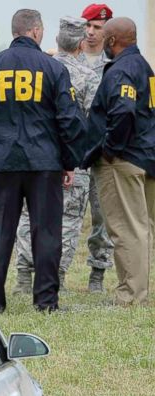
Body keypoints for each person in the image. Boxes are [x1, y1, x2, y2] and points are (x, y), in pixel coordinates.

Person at [0, 9, 88, 313]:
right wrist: (69, 161)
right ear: (37, 32)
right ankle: (46, 301)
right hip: (44, 163)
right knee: (47, 232)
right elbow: (69, 120)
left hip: (0, 162)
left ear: (15, 31)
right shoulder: (53, 69)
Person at [14, 17, 100, 293]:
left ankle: (23, 277)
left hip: (35, 155)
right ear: (81, 43)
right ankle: (57, 278)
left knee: (28, 215)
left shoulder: (39, 69)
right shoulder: (88, 76)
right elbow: (92, 120)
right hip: (74, 159)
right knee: (69, 220)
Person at [83, 17, 155, 306]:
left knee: (127, 228)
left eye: (105, 38)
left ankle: (131, 296)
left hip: (123, 159)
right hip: (147, 154)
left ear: (112, 41)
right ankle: (138, 292)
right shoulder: (145, 67)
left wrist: (110, 149)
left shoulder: (121, 70)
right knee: (143, 227)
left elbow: (123, 112)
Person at [81, 3, 117, 292]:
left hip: (103, 151)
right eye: (88, 26)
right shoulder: (68, 60)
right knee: (65, 217)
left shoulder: (114, 65)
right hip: (74, 151)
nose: (91, 33)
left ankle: (98, 274)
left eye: (98, 28)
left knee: (102, 217)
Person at [81, 4, 114, 71]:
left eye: (97, 27)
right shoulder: (68, 56)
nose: (90, 32)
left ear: (107, 30)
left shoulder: (113, 61)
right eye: (87, 25)